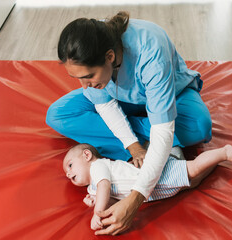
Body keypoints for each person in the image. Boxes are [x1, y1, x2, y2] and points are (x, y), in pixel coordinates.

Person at [46, 11, 212, 235]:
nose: (84, 85)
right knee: (57, 115)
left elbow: (163, 131)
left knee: (199, 127)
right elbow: (104, 105)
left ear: (110, 57)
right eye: (77, 79)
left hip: (171, 95)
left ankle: (154, 129)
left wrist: (135, 199)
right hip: (120, 99)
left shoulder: (151, 50)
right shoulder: (93, 53)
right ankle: (149, 134)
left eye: (88, 76)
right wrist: (133, 145)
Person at [63, 143, 232, 232]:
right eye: (66, 174)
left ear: (87, 155)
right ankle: (213, 159)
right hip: (155, 191)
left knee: (193, 170)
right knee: (192, 179)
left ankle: (224, 152)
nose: (68, 174)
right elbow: (114, 200)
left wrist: (97, 211)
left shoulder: (99, 166)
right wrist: (95, 202)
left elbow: (104, 186)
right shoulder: (92, 189)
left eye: (70, 165)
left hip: (156, 176)